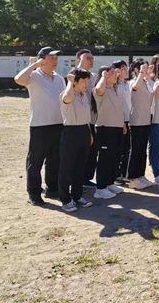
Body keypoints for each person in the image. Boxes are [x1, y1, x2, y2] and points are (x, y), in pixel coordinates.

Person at [14, 47, 64, 206]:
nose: (55, 61)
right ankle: (34, 193)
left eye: (56, 58)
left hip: (58, 124)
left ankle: (52, 189)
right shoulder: (34, 76)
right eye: (51, 58)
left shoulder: (59, 78)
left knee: (55, 160)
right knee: (35, 161)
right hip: (40, 125)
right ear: (42, 59)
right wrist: (34, 65)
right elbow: (18, 79)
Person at [58, 68, 94, 212]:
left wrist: (89, 133)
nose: (86, 83)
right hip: (70, 132)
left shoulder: (84, 96)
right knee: (67, 167)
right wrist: (69, 82)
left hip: (84, 131)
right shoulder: (66, 94)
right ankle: (65, 200)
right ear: (75, 82)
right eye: (83, 81)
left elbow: (86, 117)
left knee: (80, 167)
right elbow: (67, 98)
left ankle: (77, 196)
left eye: (87, 80)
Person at [93, 65, 126, 199]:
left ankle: (109, 183)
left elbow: (119, 109)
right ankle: (100, 188)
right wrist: (103, 76)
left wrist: (122, 123)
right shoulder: (101, 89)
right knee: (104, 159)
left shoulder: (115, 89)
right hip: (105, 128)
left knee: (114, 157)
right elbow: (99, 89)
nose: (114, 74)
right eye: (111, 73)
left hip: (116, 128)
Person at [127, 59, 155, 190]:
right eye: (143, 68)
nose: (146, 71)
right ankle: (133, 178)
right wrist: (142, 73)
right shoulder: (133, 82)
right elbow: (135, 87)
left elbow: (153, 92)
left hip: (146, 120)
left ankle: (140, 175)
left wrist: (147, 75)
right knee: (136, 149)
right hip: (136, 120)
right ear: (136, 69)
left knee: (143, 150)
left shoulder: (146, 82)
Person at [76, 49, 98, 189]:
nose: (91, 60)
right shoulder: (74, 75)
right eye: (87, 58)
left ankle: (87, 178)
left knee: (93, 150)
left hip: (94, 118)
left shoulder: (94, 76)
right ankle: (79, 179)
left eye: (92, 58)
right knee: (82, 151)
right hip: (82, 119)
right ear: (79, 59)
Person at [112, 60, 131, 183]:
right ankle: (116, 174)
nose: (125, 70)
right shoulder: (115, 86)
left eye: (126, 68)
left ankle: (124, 173)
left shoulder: (127, 84)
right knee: (118, 149)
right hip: (120, 120)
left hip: (129, 119)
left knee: (127, 149)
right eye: (122, 68)